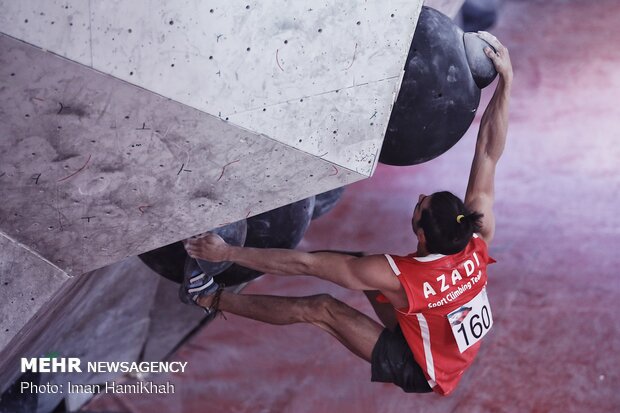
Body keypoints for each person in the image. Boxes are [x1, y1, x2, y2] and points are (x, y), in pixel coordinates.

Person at [183, 31, 512, 395]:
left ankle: (208, 298)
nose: (418, 196)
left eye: (419, 205)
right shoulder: (476, 240)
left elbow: (306, 265)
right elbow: (488, 153)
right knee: (352, 264)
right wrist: (506, 85)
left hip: (423, 365)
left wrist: (225, 252)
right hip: (437, 333)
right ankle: (413, 322)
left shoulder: (402, 275)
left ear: (420, 233)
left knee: (321, 308)